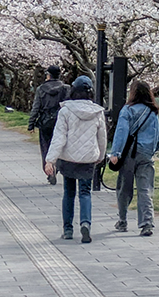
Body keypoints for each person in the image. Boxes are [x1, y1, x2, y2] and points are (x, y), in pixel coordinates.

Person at [44, 75, 106, 243]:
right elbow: (102, 138)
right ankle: (85, 223)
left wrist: (50, 160)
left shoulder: (65, 111)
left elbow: (59, 137)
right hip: (88, 159)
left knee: (69, 193)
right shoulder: (97, 112)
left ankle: (68, 229)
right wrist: (100, 156)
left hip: (68, 158)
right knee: (85, 193)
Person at [109, 80, 159, 236]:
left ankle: (123, 220)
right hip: (146, 154)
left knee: (124, 187)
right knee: (145, 189)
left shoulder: (127, 110)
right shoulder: (153, 112)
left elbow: (121, 132)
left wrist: (116, 153)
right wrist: (152, 150)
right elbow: (158, 137)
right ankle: (147, 223)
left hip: (129, 154)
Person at [28, 65, 68, 184]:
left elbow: (36, 107)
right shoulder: (66, 88)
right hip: (61, 121)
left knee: (46, 146)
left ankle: (49, 169)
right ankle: (57, 166)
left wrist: (31, 123)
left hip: (45, 121)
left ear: (48, 75)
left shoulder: (41, 89)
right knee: (61, 145)